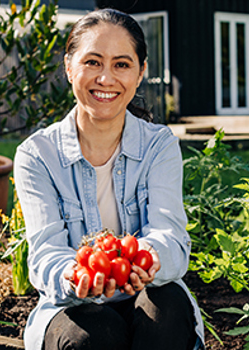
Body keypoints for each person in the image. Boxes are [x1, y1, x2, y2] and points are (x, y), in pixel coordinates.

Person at [14, 8, 205, 350]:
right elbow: (46, 254)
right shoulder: (37, 155)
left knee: (167, 311)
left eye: (121, 64)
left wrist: (142, 261)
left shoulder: (158, 146)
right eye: (92, 62)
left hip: (149, 292)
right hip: (75, 304)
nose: (106, 79)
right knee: (90, 336)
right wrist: (75, 276)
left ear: (141, 72)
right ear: (69, 66)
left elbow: (171, 239)